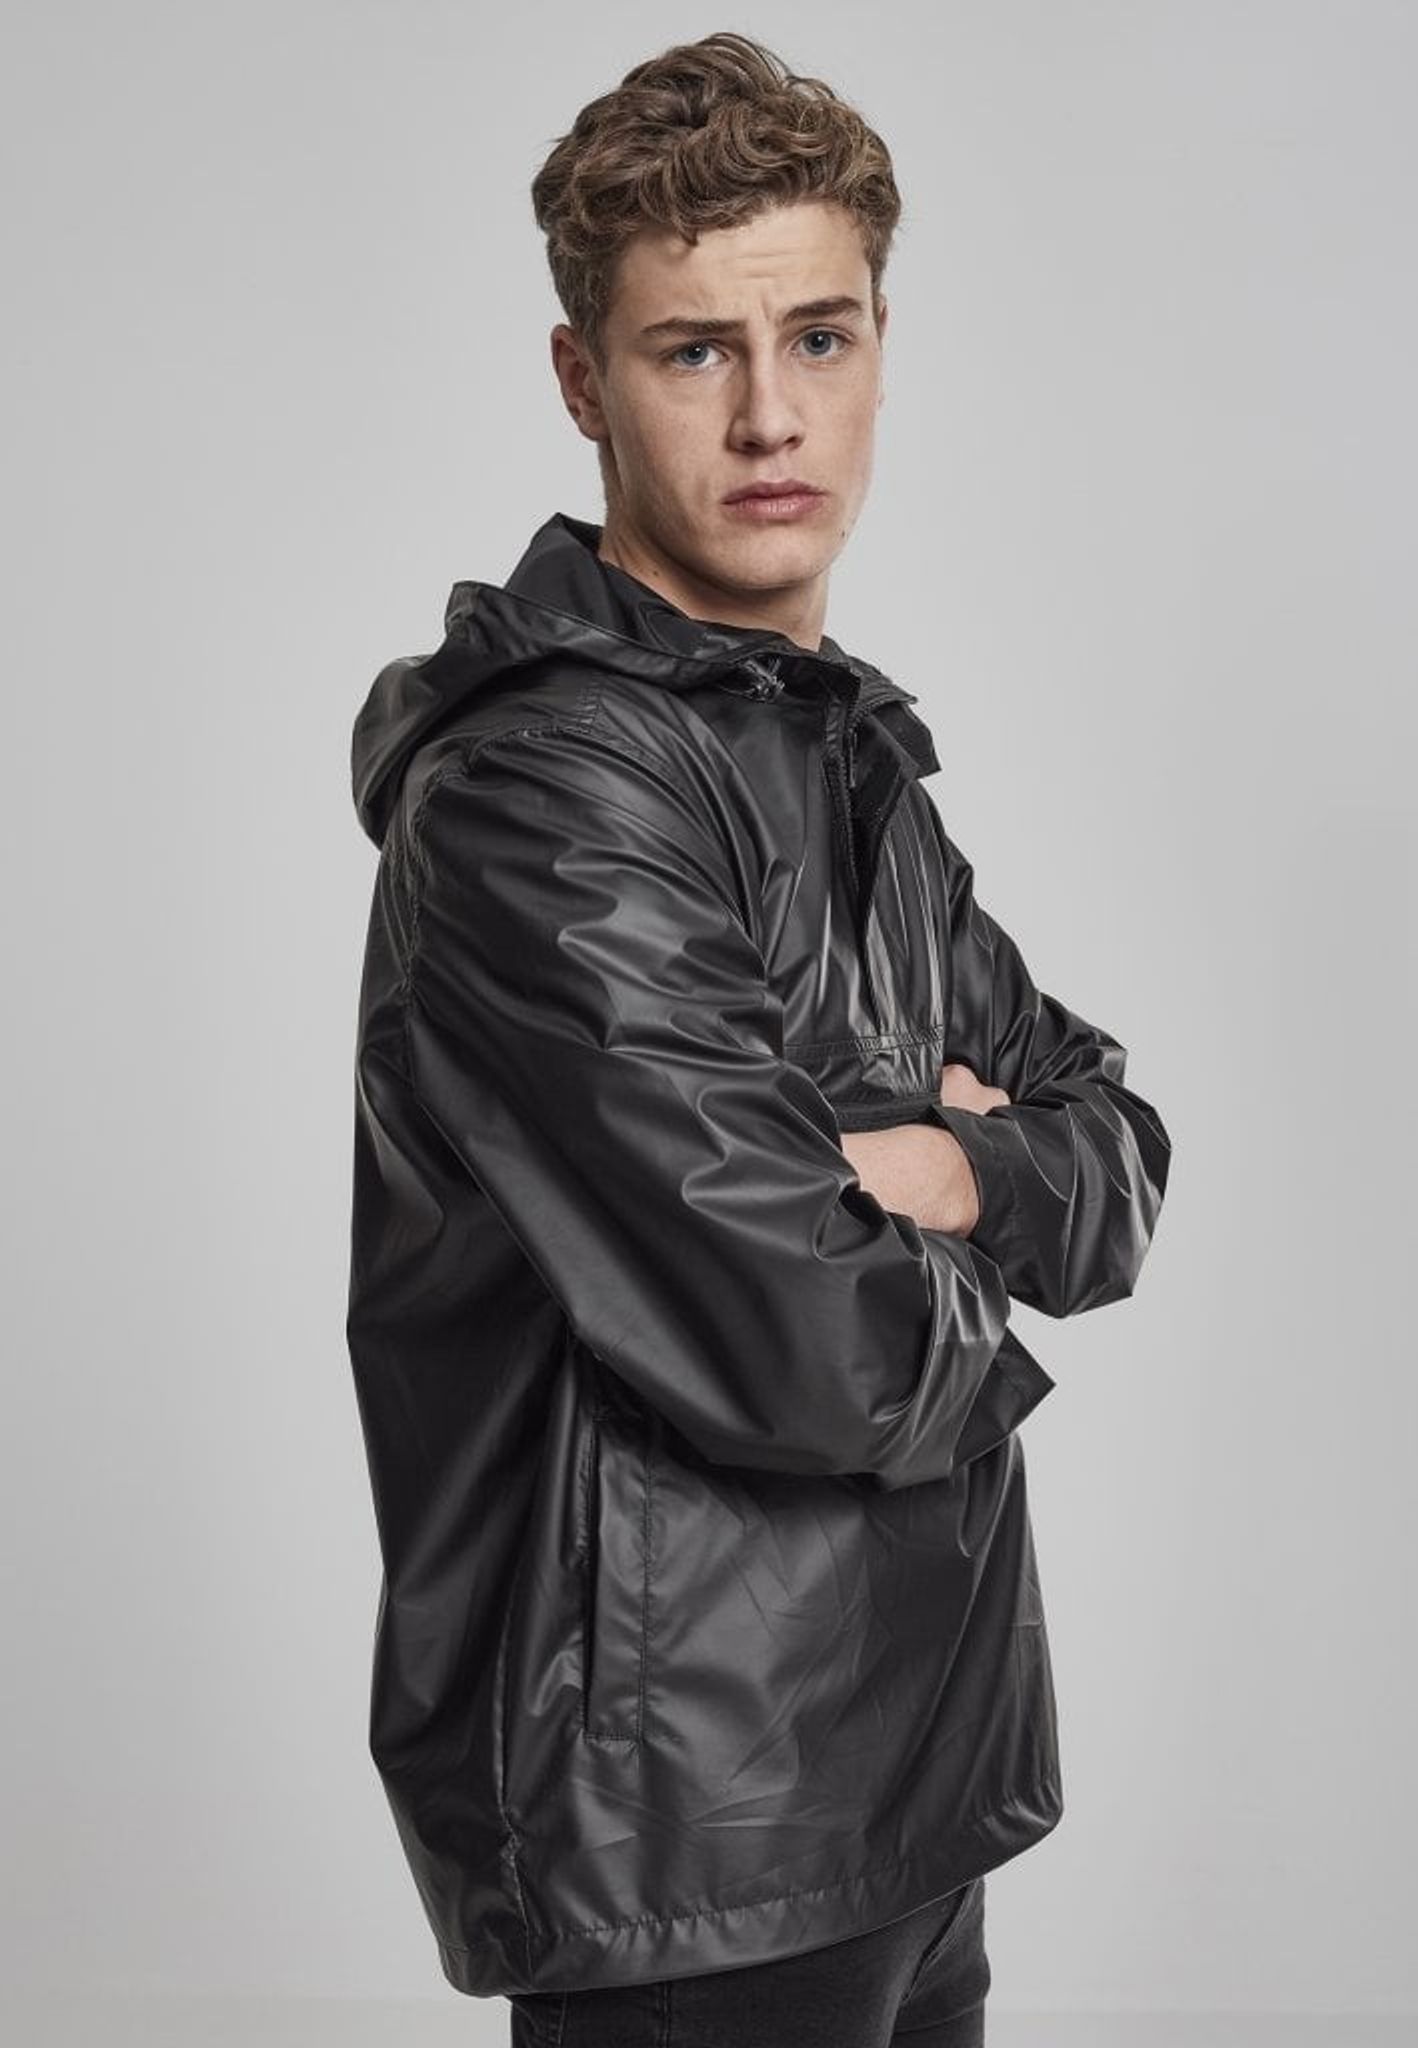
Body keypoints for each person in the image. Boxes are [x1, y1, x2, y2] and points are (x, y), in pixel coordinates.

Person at [345, 30, 1171, 2047]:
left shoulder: (841, 747)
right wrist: (936, 1197)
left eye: (817, 336)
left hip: (923, 1783)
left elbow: (1115, 1146)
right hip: (679, 1834)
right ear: (582, 380)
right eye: (692, 351)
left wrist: (947, 1166)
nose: (770, 414)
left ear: (883, 342)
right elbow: (805, 1329)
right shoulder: (542, 795)